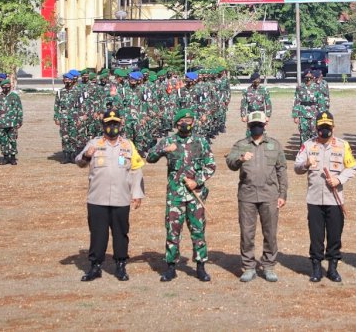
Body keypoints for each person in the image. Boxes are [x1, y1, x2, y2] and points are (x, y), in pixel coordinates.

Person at [147, 109, 216, 282]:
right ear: (177, 123)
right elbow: (150, 158)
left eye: (189, 120)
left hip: (195, 195)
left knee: (198, 230)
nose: (186, 123)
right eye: (183, 120)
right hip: (175, 195)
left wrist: (197, 180)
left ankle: (200, 266)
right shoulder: (169, 140)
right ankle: (171, 267)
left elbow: (211, 165)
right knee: (173, 231)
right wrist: (164, 149)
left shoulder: (201, 142)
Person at [75, 110, 145, 282]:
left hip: (121, 198)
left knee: (121, 232)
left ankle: (120, 265)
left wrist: (137, 194)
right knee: (98, 233)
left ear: (120, 125)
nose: (112, 127)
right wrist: (86, 155)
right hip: (97, 198)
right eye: (108, 124)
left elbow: (136, 170)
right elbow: (79, 162)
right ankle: (95, 266)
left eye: (115, 124)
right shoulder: (94, 143)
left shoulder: (128, 145)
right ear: (103, 126)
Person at [294, 111, 356, 283]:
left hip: (335, 199)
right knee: (316, 236)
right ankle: (316, 268)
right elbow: (297, 167)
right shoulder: (308, 145)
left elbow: (352, 167)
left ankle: (332, 268)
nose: (324, 130)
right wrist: (306, 164)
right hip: (314, 199)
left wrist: (339, 179)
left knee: (335, 235)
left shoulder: (342, 145)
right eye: (321, 127)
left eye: (327, 127)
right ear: (316, 127)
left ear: (333, 127)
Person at [226, 111, 288, 283]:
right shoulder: (241, 145)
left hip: (270, 195)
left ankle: (268, 266)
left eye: (259, 124)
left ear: (265, 125)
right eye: (253, 125)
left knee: (270, 232)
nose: (256, 127)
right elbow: (230, 163)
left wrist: (283, 194)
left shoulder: (274, 145)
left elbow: (282, 170)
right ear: (248, 126)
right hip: (247, 195)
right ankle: (248, 266)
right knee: (247, 232)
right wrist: (240, 158)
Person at [0, 79, 22, 165]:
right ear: (2, 87)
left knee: (12, 140)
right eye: (4, 87)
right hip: (1, 123)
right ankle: (5, 157)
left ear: (10, 87)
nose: (6, 88)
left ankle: (13, 158)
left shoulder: (15, 96)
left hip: (12, 123)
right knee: (3, 141)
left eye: (8, 87)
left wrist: (19, 121)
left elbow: (19, 109)